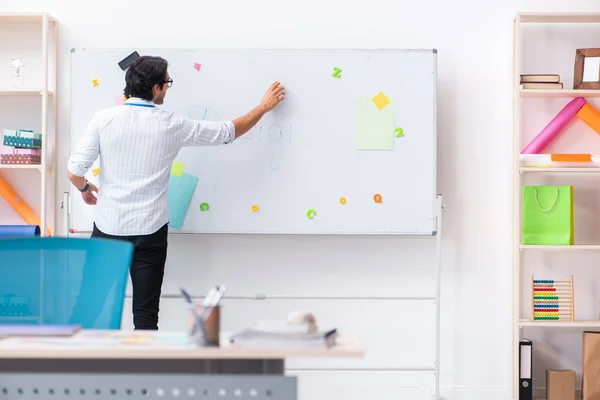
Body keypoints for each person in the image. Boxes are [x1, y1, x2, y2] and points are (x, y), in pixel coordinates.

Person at [67, 55, 285, 330]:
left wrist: (85, 188)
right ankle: (145, 372)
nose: (168, 89)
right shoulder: (173, 124)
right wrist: (263, 107)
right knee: (146, 317)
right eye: (167, 83)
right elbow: (228, 132)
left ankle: (70, 367)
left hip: (109, 227)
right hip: (150, 231)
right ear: (156, 88)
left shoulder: (104, 119)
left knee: (89, 307)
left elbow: (74, 170)